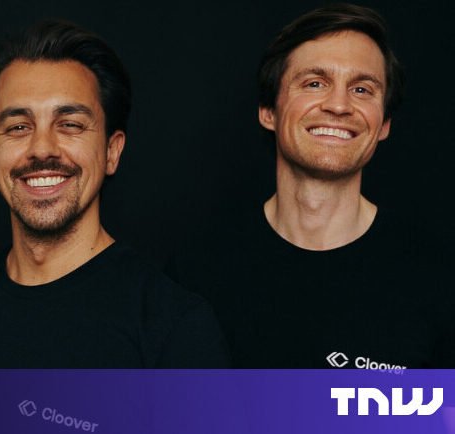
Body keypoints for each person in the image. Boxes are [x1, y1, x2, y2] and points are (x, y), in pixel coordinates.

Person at [0, 20, 228, 368]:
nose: (42, 149)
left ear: (112, 151)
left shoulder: (174, 326)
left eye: (70, 124)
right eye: (19, 127)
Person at [168, 3, 454, 367]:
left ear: (383, 125)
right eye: (314, 83)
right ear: (268, 111)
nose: (338, 105)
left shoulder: (439, 282)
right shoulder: (194, 274)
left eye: (363, 90)